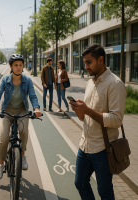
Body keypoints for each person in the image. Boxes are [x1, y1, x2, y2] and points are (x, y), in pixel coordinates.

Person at [70, 43, 126, 200]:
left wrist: (87, 110)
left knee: (105, 192)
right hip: (84, 146)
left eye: (89, 62)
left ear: (100, 60)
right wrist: (80, 111)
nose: (85, 66)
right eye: (85, 62)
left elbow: (116, 120)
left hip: (103, 149)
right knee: (80, 184)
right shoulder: (90, 83)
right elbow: (86, 118)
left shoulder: (115, 84)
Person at [0, 54, 42, 180]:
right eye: (16, 65)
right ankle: (0, 164)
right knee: (3, 139)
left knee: (24, 132)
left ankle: (23, 155)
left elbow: (33, 96)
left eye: (20, 65)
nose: (19, 67)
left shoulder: (28, 81)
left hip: (21, 111)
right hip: (6, 111)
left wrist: (36, 109)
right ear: (11, 66)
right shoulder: (5, 80)